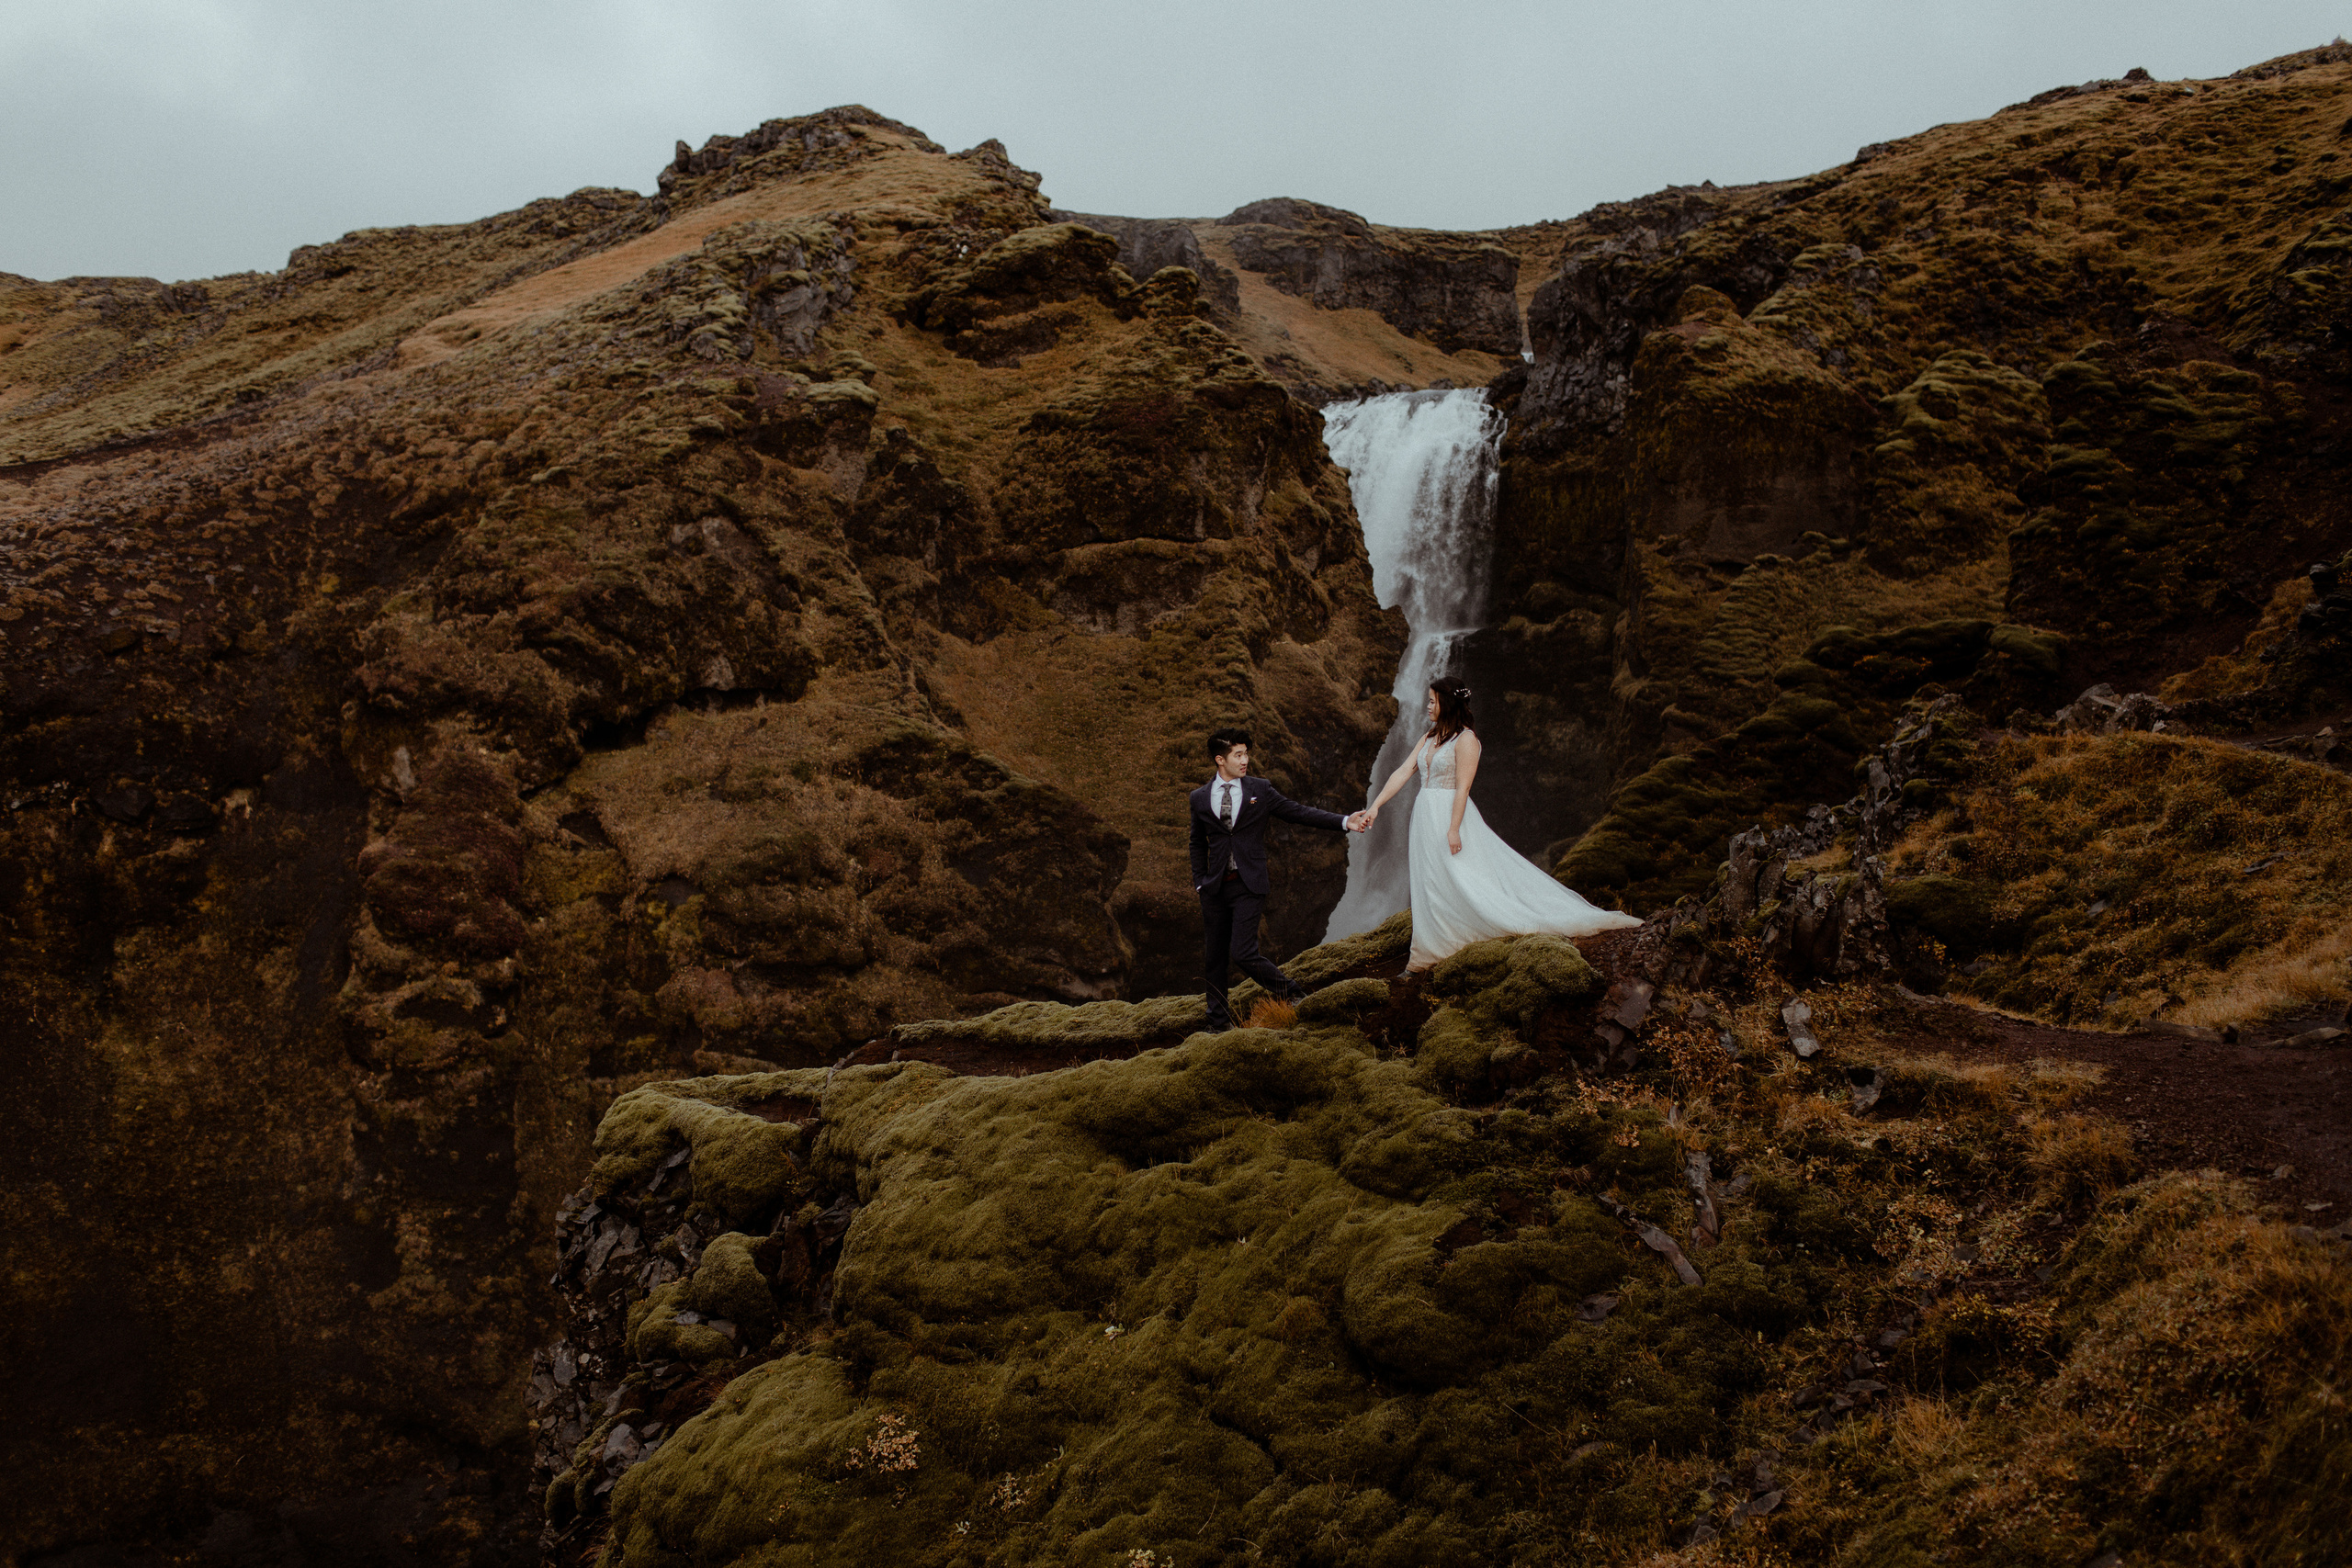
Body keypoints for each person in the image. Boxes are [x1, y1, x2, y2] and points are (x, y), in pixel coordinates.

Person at [1361, 681, 1639, 970]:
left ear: (1447, 703)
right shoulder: (1430, 736)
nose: (1427, 706)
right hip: (1423, 815)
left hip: (1449, 813)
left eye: (1432, 701)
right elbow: (1405, 770)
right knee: (1430, 878)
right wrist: (1376, 806)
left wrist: (1454, 828)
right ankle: (1432, 943)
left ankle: (1443, 945)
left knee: (1461, 877)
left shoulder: (1466, 740)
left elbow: (1463, 788)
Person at [1191, 728, 1370, 1031]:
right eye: (1239, 755)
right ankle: (1218, 1023)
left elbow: (1297, 812)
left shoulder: (1260, 789)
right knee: (1215, 958)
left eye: (1247, 753)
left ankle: (1292, 992)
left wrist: (1344, 821)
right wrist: (1200, 882)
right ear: (1220, 760)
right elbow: (1197, 843)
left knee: (1243, 952)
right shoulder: (1199, 798)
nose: (1246, 759)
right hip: (1215, 887)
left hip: (1249, 883)